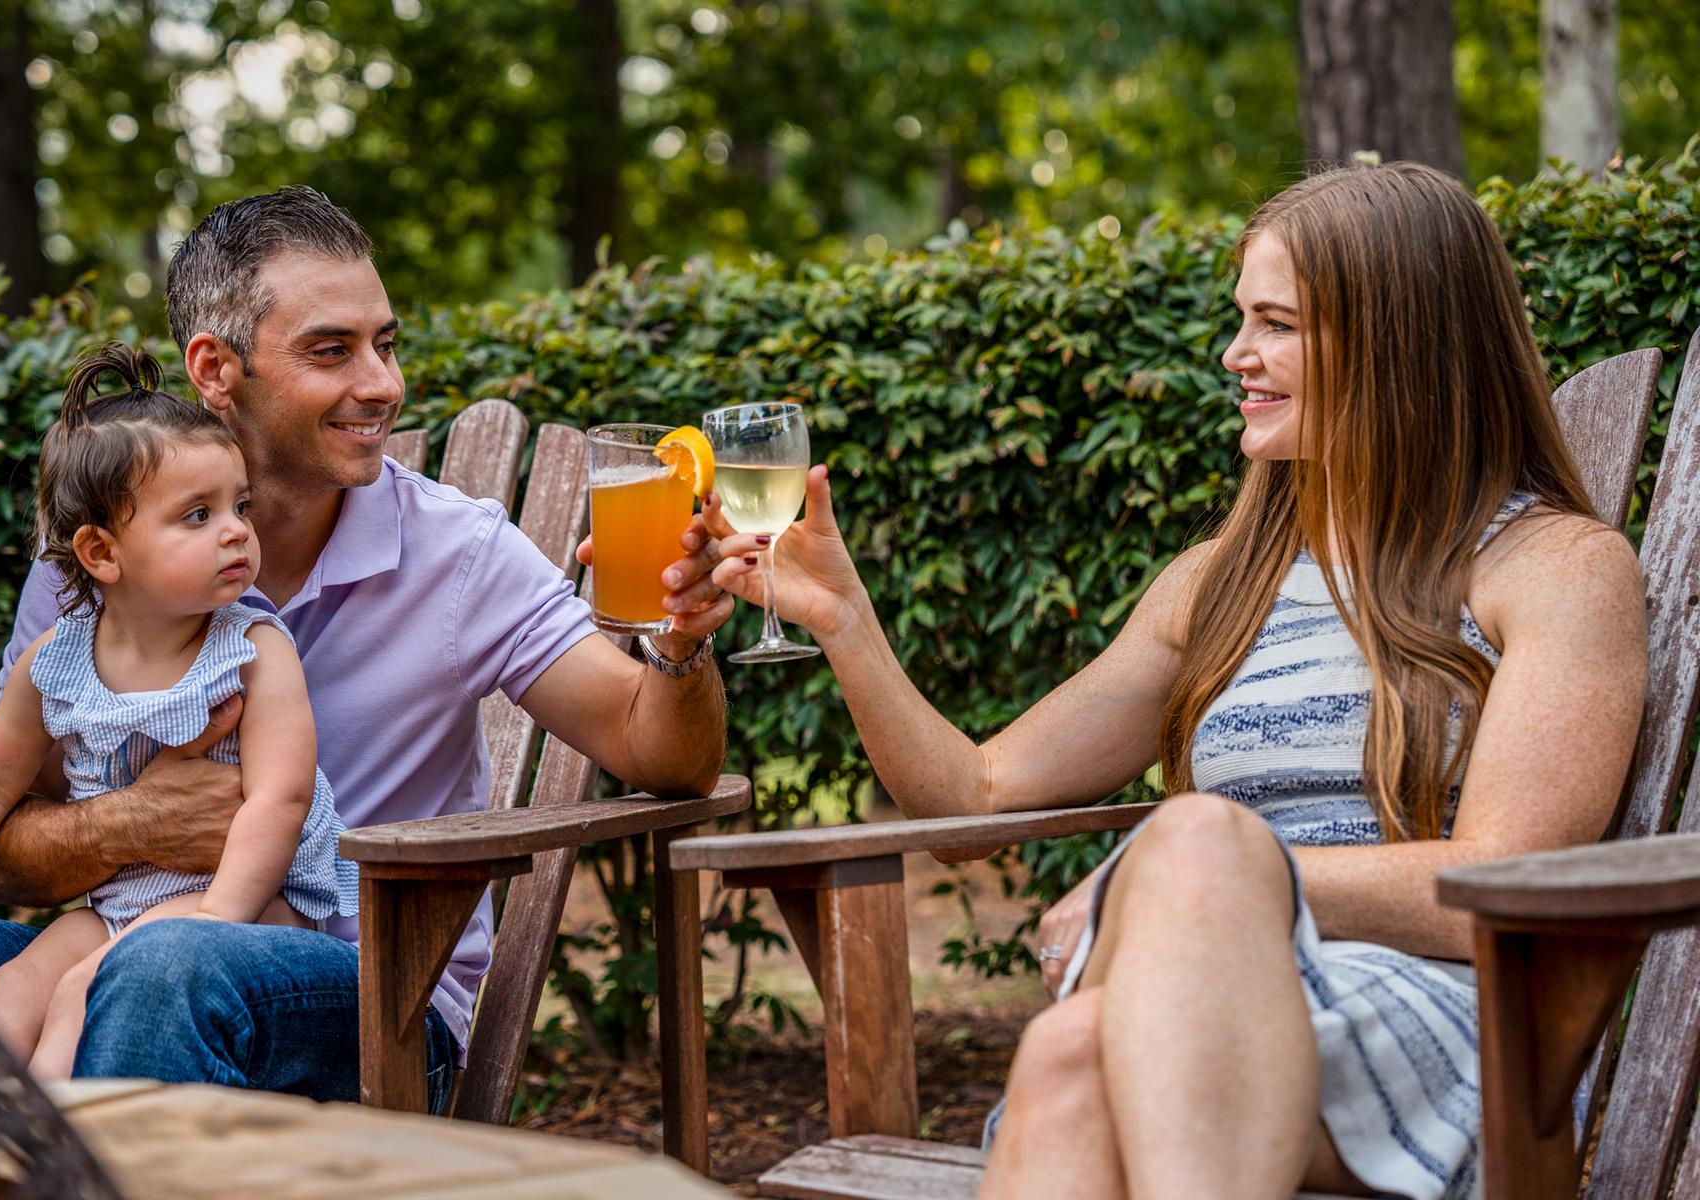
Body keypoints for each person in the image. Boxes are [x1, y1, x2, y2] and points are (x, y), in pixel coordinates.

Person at [704, 162, 1647, 1199]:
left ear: (1395, 344)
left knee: (1181, 864)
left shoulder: (1554, 568)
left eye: (1276, 324)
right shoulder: (1216, 586)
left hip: (1440, 1035)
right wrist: (844, 622)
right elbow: (974, 795)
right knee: (1067, 1057)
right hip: (1202, 999)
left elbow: (1502, 882)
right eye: (1242, 319)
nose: (1236, 354)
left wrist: (1181, 873)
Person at [0, 186, 733, 1113]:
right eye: (332, 350)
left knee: (170, 966)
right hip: (114, 936)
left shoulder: (457, 553)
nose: (382, 384)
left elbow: (662, 754)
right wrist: (134, 824)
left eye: (386, 344)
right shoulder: (99, 572)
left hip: (370, 999)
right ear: (215, 368)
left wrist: (678, 645)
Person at [0, 344, 356, 1082]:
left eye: (240, 506)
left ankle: (54, 1142)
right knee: (10, 995)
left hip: (248, 906)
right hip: (118, 905)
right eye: (198, 515)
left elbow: (279, 800)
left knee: (82, 994)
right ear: (101, 552)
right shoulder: (57, 661)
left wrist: (214, 924)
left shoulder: (253, 650)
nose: (236, 530)